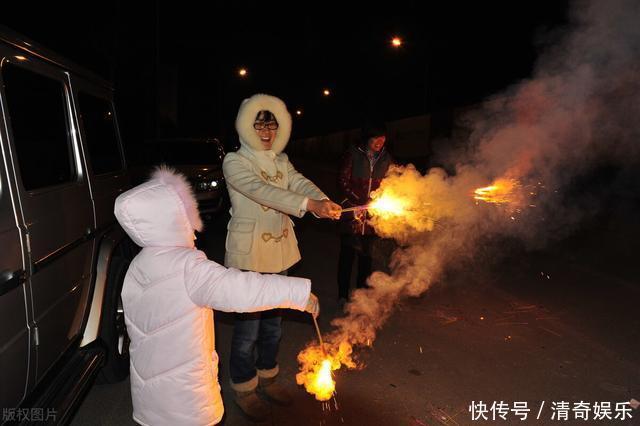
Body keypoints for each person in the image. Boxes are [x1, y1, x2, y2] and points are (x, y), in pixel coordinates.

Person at [113, 166, 320, 426]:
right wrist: (298, 294)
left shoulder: (137, 265)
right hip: (187, 404)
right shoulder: (188, 266)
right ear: (173, 219)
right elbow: (241, 289)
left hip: (150, 403)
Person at [222, 93, 341, 420]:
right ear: (246, 127)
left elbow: (299, 183)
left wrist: (323, 200)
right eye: (259, 125)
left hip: (280, 253)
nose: (266, 132)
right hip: (250, 256)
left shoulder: (281, 160)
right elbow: (262, 191)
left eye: (271, 126)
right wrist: (308, 206)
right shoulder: (234, 161)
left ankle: (268, 378)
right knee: (248, 331)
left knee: (274, 325)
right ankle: (244, 387)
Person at [337, 121, 394, 305]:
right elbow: (342, 181)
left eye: (382, 138)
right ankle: (343, 296)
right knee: (347, 255)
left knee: (366, 257)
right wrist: (360, 201)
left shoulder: (386, 158)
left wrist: (383, 198)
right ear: (367, 138)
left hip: (372, 216)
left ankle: (361, 296)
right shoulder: (353, 154)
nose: (379, 142)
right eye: (376, 138)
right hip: (352, 213)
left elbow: (391, 181)